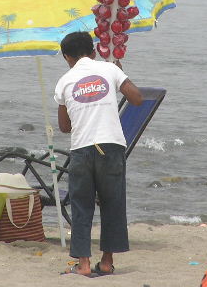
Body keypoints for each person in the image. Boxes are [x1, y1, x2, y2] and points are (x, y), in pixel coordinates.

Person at [54, 32, 142, 276]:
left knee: (82, 207)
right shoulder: (110, 69)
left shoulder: (64, 81)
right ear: (93, 51)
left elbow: (64, 127)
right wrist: (119, 75)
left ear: (66, 57)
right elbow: (136, 98)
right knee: (113, 204)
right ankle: (105, 262)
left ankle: (83, 264)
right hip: (111, 147)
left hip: (82, 150)